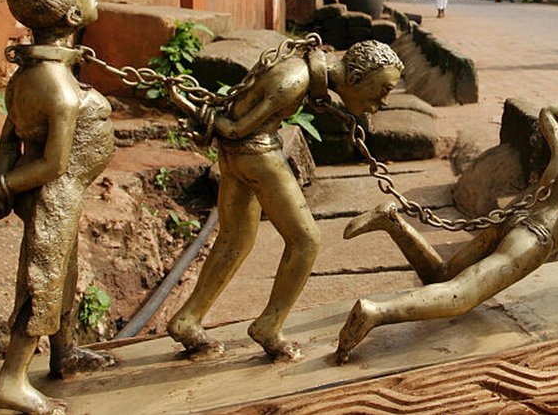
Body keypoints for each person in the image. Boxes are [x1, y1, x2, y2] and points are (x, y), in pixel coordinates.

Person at [335, 95, 558, 363]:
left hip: (508, 218)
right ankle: (375, 312)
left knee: (441, 276)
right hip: (531, 241)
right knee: (461, 296)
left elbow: (547, 115)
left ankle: (393, 221)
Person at [167, 39, 404, 362]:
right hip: (256, 152)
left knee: (235, 238)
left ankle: (187, 321)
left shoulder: (302, 72)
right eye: (384, 90)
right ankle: (269, 325)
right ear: (359, 77)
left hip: (237, 156)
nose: (384, 101)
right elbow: (236, 129)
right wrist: (204, 117)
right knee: (305, 241)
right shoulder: (294, 80)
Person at [0, 0, 116, 415]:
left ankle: (64, 353)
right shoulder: (57, 87)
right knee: (43, 281)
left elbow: (9, 134)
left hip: (60, 195)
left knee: (65, 273)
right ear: (72, 18)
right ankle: (11, 380)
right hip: (56, 194)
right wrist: (2, 185)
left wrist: (3, 182)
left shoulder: (29, 74)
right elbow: (54, 164)